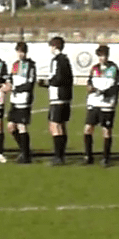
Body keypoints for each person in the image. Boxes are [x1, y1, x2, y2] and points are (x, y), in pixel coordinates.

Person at [82, 44, 119, 166]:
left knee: (106, 131)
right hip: (94, 103)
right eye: (100, 55)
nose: (102, 58)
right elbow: (89, 82)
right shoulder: (94, 68)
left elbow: (117, 86)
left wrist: (105, 93)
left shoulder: (114, 68)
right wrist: (90, 87)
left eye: (104, 55)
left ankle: (106, 158)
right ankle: (88, 156)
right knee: (88, 129)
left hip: (107, 104)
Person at [39, 36, 73, 166]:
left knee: (55, 125)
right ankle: (61, 155)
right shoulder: (66, 60)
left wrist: (46, 82)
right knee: (62, 125)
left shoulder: (57, 60)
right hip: (65, 97)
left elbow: (57, 79)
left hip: (57, 97)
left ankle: (58, 156)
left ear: (54, 47)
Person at [7, 41, 36, 164]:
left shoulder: (30, 66)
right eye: (19, 52)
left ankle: (26, 155)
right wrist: (7, 84)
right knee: (11, 126)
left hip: (24, 99)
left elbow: (30, 84)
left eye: (23, 52)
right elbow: (10, 78)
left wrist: (15, 88)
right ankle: (25, 150)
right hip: (14, 100)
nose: (21, 54)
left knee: (21, 126)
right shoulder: (15, 65)